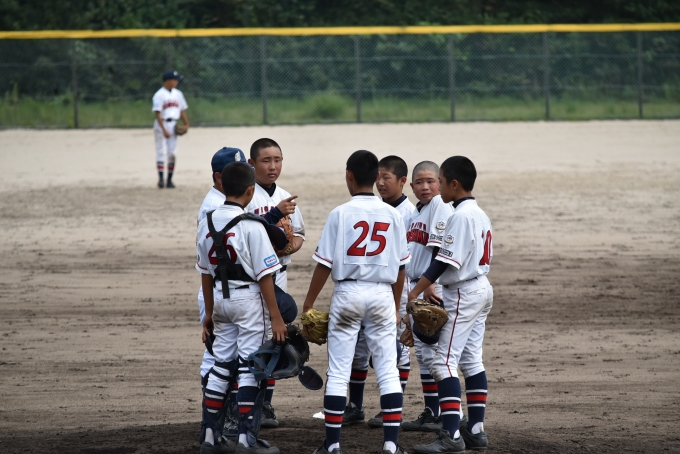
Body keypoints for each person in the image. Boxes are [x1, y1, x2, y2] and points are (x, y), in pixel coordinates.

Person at [302, 150, 411, 454]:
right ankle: (391, 445)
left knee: (338, 371)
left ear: (348, 175)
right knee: (388, 371)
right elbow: (401, 269)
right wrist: (395, 307)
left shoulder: (340, 213)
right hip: (382, 295)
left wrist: (309, 303)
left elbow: (324, 264)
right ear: (376, 177)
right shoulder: (392, 214)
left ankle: (333, 445)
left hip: (348, 294)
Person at [196, 161, 286, 454]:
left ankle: (210, 437)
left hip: (220, 301)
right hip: (248, 302)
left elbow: (205, 274)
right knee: (250, 366)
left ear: (222, 186)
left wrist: (209, 314)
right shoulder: (251, 225)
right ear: (250, 191)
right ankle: (247, 440)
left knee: (221, 365)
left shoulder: (207, 222)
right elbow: (265, 276)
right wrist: (276, 318)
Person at [408, 156, 493, 454]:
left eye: (441, 182)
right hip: (482, 288)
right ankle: (476, 430)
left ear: (454, 184)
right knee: (471, 361)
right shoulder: (479, 213)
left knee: (443, 362)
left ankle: (451, 435)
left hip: (463, 293)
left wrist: (414, 292)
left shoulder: (460, 216)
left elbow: (444, 262)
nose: (439, 187)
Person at [343, 155, 415, 429]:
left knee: (398, 350)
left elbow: (405, 262)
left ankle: (391, 409)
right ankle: (355, 406)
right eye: (379, 177)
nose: (381, 183)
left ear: (401, 181)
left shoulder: (409, 213)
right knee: (359, 348)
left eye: (387, 178)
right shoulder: (375, 208)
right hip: (372, 288)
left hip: (398, 287)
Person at [245, 138, 305, 428]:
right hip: (253, 278)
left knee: (275, 340)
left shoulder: (285, 196)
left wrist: (290, 246)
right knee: (254, 341)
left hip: (279, 273)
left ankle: (265, 404)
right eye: (266, 160)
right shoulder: (247, 195)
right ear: (252, 163)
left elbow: (300, 234)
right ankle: (247, 404)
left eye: (277, 160)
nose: (273, 166)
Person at [400, 161, 455, 433]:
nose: (425, 187)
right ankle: (433, 411)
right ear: (411, 186)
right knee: (424, 353)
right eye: (420, 182)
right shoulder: (416, 212)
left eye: (431, 181)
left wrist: (429, 285)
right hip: (419, 285)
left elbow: (440, 245)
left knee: (434, 353)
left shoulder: (438, 205)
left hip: (431, 286)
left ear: (440, 183)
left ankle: (444, 413)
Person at [152, 70, 189, 189]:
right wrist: (164, 129)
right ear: (168, 80)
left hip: (173, 124)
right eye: (175, 79)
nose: (177, 82)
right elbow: (157, 113)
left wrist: (187, 124)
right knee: (161, 151)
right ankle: (161, 179)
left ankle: (169, 181)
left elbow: (182, 110)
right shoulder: (159, 94)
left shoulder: (178, 94)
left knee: (172, 153)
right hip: (161, 123)